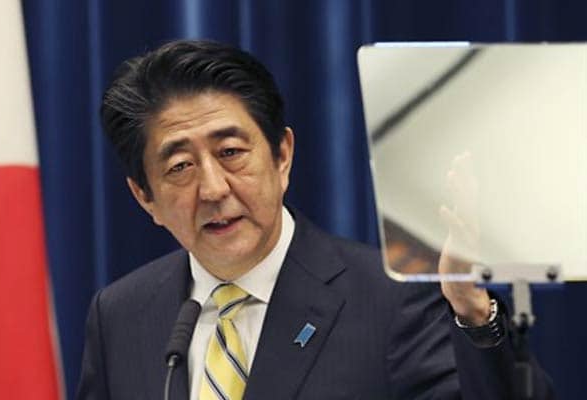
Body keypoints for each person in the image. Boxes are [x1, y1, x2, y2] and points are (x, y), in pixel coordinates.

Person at [76, 39, 554, 400]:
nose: (215, 189)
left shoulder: (393, 301)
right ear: (145, 197)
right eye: (180, 167)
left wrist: (472, 312)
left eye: (231, 153)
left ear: (282, 155)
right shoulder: (120, 315)